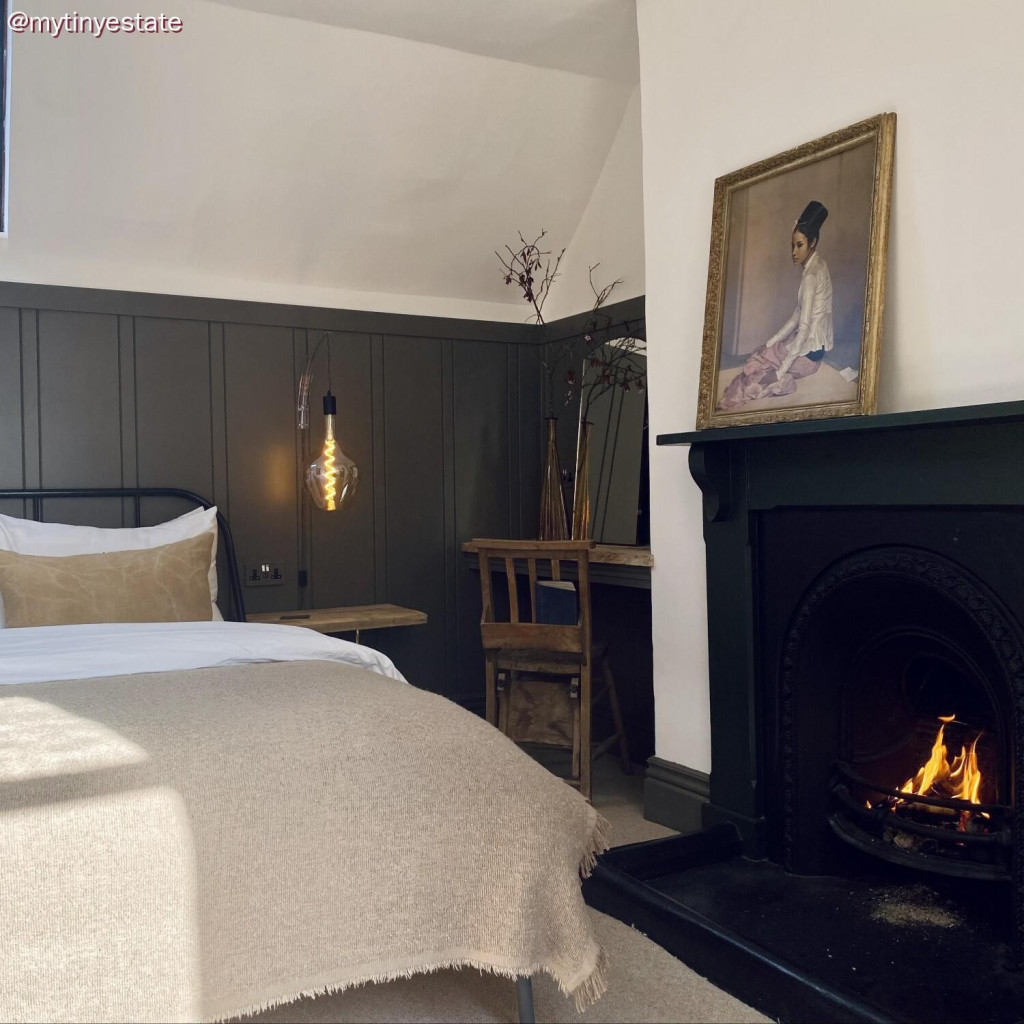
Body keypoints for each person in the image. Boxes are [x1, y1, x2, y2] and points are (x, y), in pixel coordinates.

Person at [718, 200, 833, 411]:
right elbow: (797, 314)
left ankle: (779, 379)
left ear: (813, 242)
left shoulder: (810, 277)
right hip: (815, 349)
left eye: (799, 245)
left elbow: (804, 327)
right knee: (766, 351)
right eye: (792, 246)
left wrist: (780, 371)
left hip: (809, 356)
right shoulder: (818, 265)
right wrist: (772, 341)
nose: (794, 252)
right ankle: (776, 364)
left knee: (759, 368)